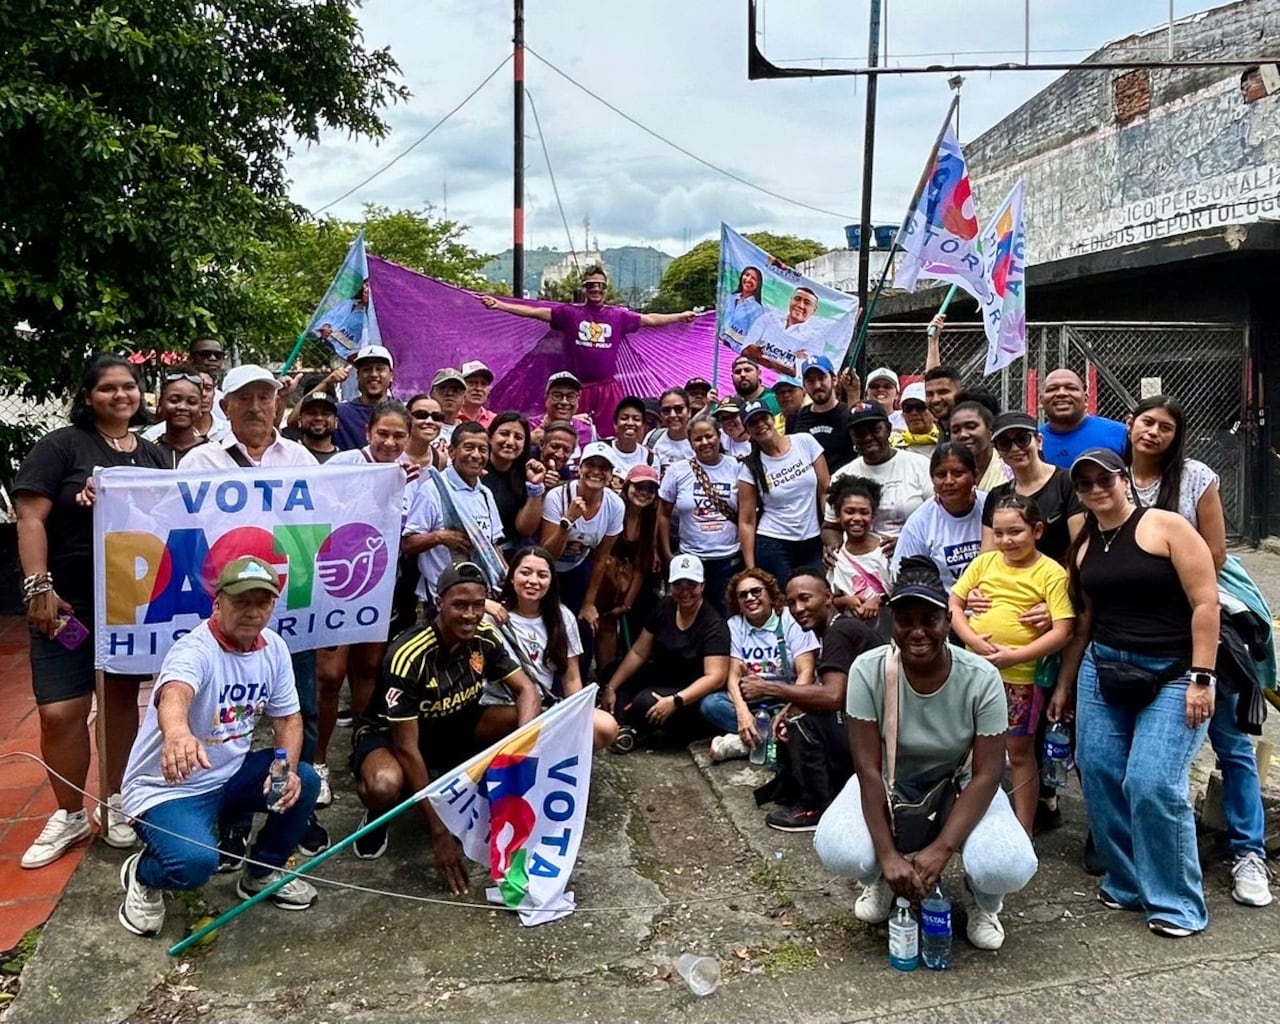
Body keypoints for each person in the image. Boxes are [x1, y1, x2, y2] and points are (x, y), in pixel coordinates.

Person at [814, 562, 1039, 951]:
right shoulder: (868, 670)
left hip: (960, 785)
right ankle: (882, 877)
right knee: (840, 848)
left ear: (949, 620)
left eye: (929, 620)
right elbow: (867, 768)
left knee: (1008, 863)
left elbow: (987, 774)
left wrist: (942, 848)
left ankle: (984, 898)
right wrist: (888, 855)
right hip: (891, 783)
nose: (917, 632)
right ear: (891, 623)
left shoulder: (981, 677)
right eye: (905, 621)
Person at [1049, 447, 1219, 937]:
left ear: (1125, 480)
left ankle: (1176, 901)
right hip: (1104, 665)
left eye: (1105, 479)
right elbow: (1083, 621)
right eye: (1085, 484)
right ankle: (1126, 881)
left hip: (1174, 670)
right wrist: (1065, 684)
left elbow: (1205, 603)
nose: (1097, 489)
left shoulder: (1166, 526)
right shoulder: (1085, 541)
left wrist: (1203, 677)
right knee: (1099, 772)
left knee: (1152, 782)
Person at [15, 354, 169, 869]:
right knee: (61, 710)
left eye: (129, 386)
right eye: (107, 388)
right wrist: (39, 585)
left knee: (119, 703)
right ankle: (69, 813)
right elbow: (30, 517)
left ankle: (118, 800)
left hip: (127, 603)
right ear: (88, 396)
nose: (120, 395)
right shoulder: (61, 446)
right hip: (65, 604)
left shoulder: (153, 455)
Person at [116, 557, 322, 935]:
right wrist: (178, 734)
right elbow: (175, 692)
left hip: (228, 774)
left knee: (303, 781)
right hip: (168, 789)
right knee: (195, 864)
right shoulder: (195, 649)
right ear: (217, 604)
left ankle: (262, 872)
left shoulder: (274, 648)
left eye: (262, 603)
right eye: (241, 601)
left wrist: (284, 769)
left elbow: (288, 719)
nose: (252, 612)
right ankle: (144, 874)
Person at [1124, 396, 1271, 907]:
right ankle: (1155, 848)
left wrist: (1161, 576)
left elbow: (1216, 553)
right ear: (1131, 425)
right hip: (1136, 631)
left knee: (1229, 741)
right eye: (1147, 422)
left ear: (1176, 435)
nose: (1153, 432)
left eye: (1165, 426)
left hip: (1200, 619)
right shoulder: (1112, 477)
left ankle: (1249, 851)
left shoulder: (1195, 478)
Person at [180, 365, 327, 859]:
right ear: (225, 407)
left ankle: (293, 805)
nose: (257, 407)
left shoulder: (300, 458)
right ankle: (233, 819)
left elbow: (330, 514)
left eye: (265, 396)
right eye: (244, 398)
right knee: (224, 718)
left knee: (298, 710)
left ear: (278, 404)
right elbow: (171, 521)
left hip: (290, 607)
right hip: (230, 613)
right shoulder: (200, 462)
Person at [349, 562, 540, 877]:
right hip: (394, 736)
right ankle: (379, 813)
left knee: (523, 720)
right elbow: (407, 747)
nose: (470, 615)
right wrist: (438, 830)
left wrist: (520, 748)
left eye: (478, 605)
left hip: (454, 725)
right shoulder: (408, 655)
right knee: (384, 784)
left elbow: (527, 690)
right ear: (439, 603)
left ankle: (480, 787)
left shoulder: (485, 636)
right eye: (460, 605)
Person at [948, 496, 1075, 835]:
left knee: (1019, 753)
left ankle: (1023, 829)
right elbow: (954, 604)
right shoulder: (984, 563)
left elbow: (1063, 630)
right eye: (999, 533)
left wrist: (1016, 656)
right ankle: (964, 822)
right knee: (967, 746)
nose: (1006, 541)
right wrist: (972, 640)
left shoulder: (1051, 573)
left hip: (1021, 678)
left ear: (1037, 530)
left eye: (1015, 532)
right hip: (974, 674)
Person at [314, 402, 419, 805]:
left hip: (380, 584)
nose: (390, 442)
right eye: (383, 434)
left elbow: (406, 533)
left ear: (408, 438)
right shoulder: (344, 465)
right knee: (329, 675)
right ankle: (318, 761)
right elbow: (324, 515)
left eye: (398, 436)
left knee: (369, 668)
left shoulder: (412, 474)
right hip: (337, 582)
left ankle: (362, 749)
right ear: (368, 433)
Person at [478, 263, 696, 427]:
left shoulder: (618, 315)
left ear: (606, 289)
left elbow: (650, 319)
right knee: (570, 431)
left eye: (600, 286)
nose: (596, 289)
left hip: (607, 389)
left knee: (612, 432)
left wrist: (680, 316)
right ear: (584, 288)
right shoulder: (570, 313)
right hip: (575, 390)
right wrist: (500, 305)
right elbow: (535, 312)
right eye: (591, 285)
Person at [759, 568, 884, 830]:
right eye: (791, 603)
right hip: (871, 730)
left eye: (805, 598)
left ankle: (816, 807)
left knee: (804, 723)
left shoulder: (840, 631)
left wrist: (771, 688)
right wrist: (789, 707)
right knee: (796, 715)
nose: (798, 608)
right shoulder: (834, 629)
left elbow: (832, 696)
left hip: (882, 740)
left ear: (827, 597)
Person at [487, 548, 619, 750]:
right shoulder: (491, 617)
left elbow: (572, 678)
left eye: (542, 575)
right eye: (525, 573)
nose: (533, 581)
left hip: (544, 704)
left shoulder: (562, 617)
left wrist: (577, 715)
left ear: (551, 582)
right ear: (511, 577)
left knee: (605, 726)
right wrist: (484, 603)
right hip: (502, 706)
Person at [601, 554, 730, 748]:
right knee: (612, 673)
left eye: (691, 585)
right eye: (678, 585)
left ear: (702, 586)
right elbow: (638, 652)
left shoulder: (714, 624)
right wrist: (611, 687)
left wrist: (676, 701)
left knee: (645, 702)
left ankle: (630, 726)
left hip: (691, 693)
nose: (685, 592)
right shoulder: (664, 606)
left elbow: (715, 678)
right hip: (664, 675)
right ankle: (620, 724)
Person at [701, 568, 817, 764]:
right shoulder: (735, 625)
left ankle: (745, 742)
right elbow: (733, 677)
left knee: (810, 712)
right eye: (743, 595)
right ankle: (768, 736)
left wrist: (787, 711)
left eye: (756, 591)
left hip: (788, 696)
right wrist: (743, 714)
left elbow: (806, 672)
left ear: (770, 595)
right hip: (754, 703)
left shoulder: (789, 618)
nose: (750, 598)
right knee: (711, 705)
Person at [403, 421, 505, 604]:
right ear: (452, 452)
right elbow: (408, 543)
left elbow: (493, 544)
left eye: (482, 449)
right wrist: (439, 537)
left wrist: (506, 574)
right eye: (469, 447)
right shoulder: (433, 489)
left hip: (481, 599)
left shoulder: (485, 494)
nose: (476, 455)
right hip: (440, 601)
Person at [539, 441, 626, 654]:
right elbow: (547, 555)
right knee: (549, 627)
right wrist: (567, 521)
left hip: (578, 567)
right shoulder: (557, 496)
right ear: (580, 468)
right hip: (546, 570)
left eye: (603, 468)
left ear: (611, 474)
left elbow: (601, 558)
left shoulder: (615, 505)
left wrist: (589, 603)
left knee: (583, 629)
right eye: (590, 465)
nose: (596, 472)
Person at [737, 399, 829, 584]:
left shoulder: (805, 442)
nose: (760, 425)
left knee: (817, 590)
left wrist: (830, 531)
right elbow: (746, 521)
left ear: (772, 418)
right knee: (786, 595)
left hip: (812, 538)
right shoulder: (750, 468)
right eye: (753, 423)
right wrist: (751, 569)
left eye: (763, 418)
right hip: (774, 541)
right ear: (748, 431)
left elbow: (825, 489)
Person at [658, 415, 742, 614]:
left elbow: (747, 514)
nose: (704, 442)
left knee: (727, 613)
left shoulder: (737, 467)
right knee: (689, 613)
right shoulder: (677, 471)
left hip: (728, 558)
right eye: (697, 439)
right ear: (690, 443)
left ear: (719, 436)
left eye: (709, 436)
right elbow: (663, 514)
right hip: (690, 557)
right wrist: (667, 553)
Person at [823, 406, 932, 558]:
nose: (868, 437)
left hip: (916, 556)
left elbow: (938, 518)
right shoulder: (842, 476)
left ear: (888, 429)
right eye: (860, 433)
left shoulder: (920, 465)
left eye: (875, 430)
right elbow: (830, 527)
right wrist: (834, 548)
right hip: (863, 562)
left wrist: (907, 542)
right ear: (852, 437)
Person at [982, 411, 1080, 562]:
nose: (1015, 448)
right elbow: (987, 557)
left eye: (1023, 439)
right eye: (1004, 443)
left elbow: (1079, 548)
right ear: (998, 451)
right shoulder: (996, 496)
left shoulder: (1068, 483)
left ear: (1039, 441)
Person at [891, 442, 986, 592]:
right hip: (941, 603)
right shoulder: (920, 522)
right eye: (941, 475)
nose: (949, 481)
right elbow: (903, 577)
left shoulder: (991, 507)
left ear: (975, 475)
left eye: (958, 473)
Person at [592, 465, 660, 671]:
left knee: (612, 624)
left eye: (650, 489)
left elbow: (641, 564)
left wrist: (626, 604)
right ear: (627, 486)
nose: (644, 493)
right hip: (599, 578)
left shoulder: (650, 518)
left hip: (624, 584)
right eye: (639, 486)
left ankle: (608, 676)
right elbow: (599, 556)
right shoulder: (613, 509)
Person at [825, 475, 893, 626]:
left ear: (873, 516)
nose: (856, 518)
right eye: (849, 511)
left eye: (864, 512)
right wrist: (846, 601)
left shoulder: (886, 550)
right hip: (854, 629)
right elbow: (831, 598)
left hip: (889, 626)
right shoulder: (836, 558)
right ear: (838, 515)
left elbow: (901, 588)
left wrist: (877, 600)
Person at [483, 412, 547, 556]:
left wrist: (535, 486)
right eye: (504, 434)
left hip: (509, 552)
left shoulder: (526, 474)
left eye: (518, 437)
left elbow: (525, 529)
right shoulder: (474, 470)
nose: (510, 442)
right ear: (490, 437)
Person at [1039, 368, 1127, 469]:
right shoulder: (1031, 442)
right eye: (1052, 389)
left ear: (1085, 399)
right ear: (1041, 401)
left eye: (1071, 388)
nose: (1061, 393)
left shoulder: (1120, 434)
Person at [788, 356, 853, 472]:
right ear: (804, 386)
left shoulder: (848, 413)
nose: (817, 385)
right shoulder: (795, 418)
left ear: (834, 379)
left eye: (821, 378)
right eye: (810, 381)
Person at [741, 286, 825, 377]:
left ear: (814, 310)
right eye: (797, 299)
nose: (800, 305)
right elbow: (746, 351)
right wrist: (790, 358)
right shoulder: (768, 319)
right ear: (791, 300)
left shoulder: (816, 338)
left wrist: (762, 354)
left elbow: (798, 371)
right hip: (751, 374)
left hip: (782, 384)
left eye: (807, 303)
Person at [333, 344, 395, 450]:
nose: (374, 374)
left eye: (380, 369)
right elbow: (301, 420)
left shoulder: (405, 413)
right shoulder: (340, 414)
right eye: (367, 369)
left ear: (391, 376)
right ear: (358, 375)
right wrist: (326, 383)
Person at [949, 400, 1011, 492]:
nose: (963, 434)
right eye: (955, 430)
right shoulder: (945, 472)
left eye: (971, 427)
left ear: (990, 431)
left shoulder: (1009, 469)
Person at [151, 371, 207, 467]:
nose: (182, 407)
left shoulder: (214, 453)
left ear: (200, 408)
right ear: (160, 404)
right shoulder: (148, 452)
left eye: (192, 402)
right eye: (174, 400)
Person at [531, 371, 597, 453]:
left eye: (570, 396)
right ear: (546, 398)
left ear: (578, 400)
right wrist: (528, 440)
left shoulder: (588, 431)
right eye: (557, 396)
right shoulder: (528, 427)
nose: (564, 402)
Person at [604, 395, 657, 479]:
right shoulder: (602, 449)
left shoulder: (650, 458)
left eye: (636, 419)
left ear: (643, 426)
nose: (630, 423)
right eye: (624, 418)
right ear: (615, 424)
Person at [645, 387, 694, 474]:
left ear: (689, 412)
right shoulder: (653, 438)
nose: (673, 415)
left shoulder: (699, 441)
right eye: (666, 410)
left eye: (678, 409)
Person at [294, 390, 341, 464]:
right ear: (300, 421)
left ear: (336, 422)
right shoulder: (289, 454)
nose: (319, 418)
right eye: (311, 413)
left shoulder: (344, 461)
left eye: (325, 414)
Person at [405, 393, 449, 472]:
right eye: (421, 415)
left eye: (436, 417)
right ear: (406, 418)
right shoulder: (391, 452)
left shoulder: (440, 460)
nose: (430, 421)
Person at [722, 265, 767, 340]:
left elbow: (755, 336)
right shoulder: (731, 298)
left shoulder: (757, 309)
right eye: (747, 275)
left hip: (736, 346)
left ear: (758, 284)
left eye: (753, 278)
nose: (748, 279)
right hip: (718, 343)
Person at [429, 367, 467, 447]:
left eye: (456, 390)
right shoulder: (420, 426)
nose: (449, 393)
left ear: (464, 398)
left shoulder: (468, 432)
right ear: (431, 394)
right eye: (442, 388)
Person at [923, 365, 964, 438]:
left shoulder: (970, 433)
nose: (935, 400)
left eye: (943, 392)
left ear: (961, 393)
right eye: (929, 394)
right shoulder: (940, 431)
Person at [458, 360, 496, 427]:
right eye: (472, 382)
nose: (479, 388)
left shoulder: (494, 421)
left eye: (483, 384)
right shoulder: (449, 417)